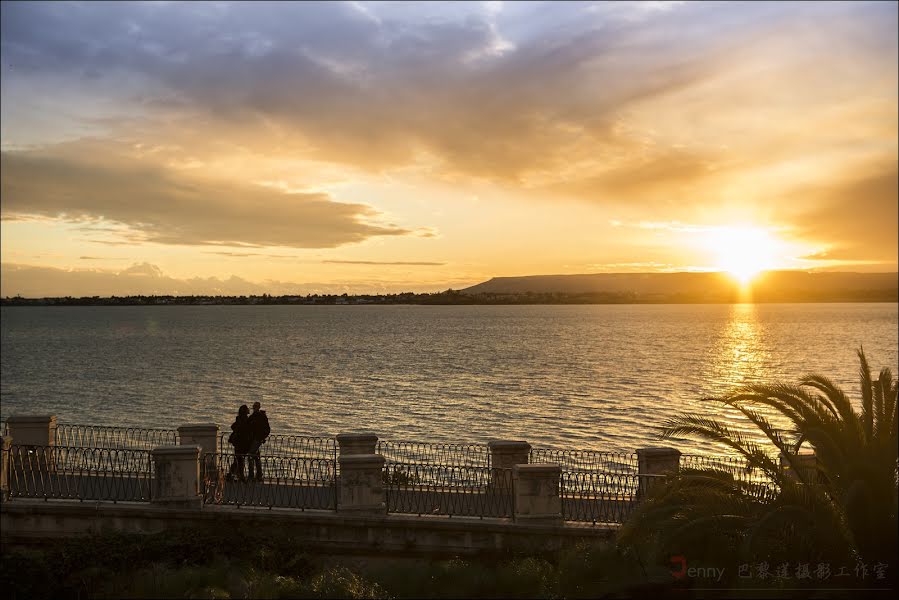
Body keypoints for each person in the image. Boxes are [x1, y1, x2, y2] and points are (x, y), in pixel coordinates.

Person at [226, 405, 251, 482]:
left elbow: (233, 427)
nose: (248, 410)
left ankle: (234, 475)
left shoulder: (239, 418)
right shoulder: (245, 419)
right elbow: (244, 429)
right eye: (247, 409)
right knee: (240, 459)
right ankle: (239, 476)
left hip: (238, 443)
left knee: (238, 459)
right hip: (242, 443)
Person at [247, 401, 270, 481]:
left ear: (259, 407)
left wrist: (262, 437)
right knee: (256, 456)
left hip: (257, 439)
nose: (255, 407)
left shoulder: (261, 416)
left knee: (250, 455)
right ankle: (259, 474)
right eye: (254, 406)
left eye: (256, 406)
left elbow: (267, 429)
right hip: (254, 439)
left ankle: (251, 475)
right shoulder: (253, 416)